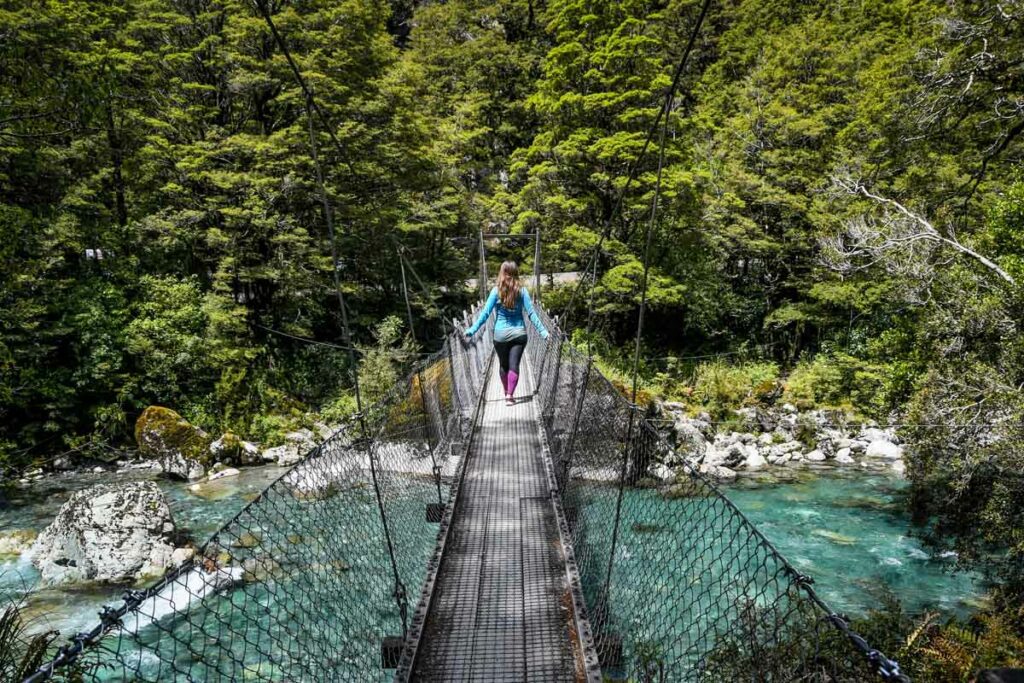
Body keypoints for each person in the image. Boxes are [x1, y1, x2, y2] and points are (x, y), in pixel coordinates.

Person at [465, 261, 549, 406]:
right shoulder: (522, 291)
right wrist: (543, 331)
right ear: (516, 273)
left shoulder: (495, 291)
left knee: (503, 365)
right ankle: (510, 395)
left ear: (502, 272)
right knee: (514, 364)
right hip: (519, 334)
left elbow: (485, 314)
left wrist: (472, 330)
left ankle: (506, 392)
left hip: (500, 335)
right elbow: (531, 313)